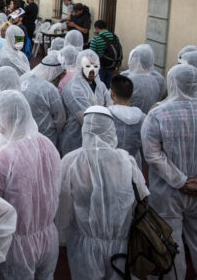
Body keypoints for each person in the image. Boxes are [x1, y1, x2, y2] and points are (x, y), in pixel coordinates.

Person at [57, 107, 148, 280]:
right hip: (122, 242)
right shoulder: (127, 161)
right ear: (111, 129)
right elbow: (140, 199)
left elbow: (64, 206)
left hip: (83, 243)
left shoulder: (70, 161)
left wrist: (62, 238)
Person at [0, 91, 61, 279]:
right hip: (49, 238)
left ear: (3, 119)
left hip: (15, 247)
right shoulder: (47, 144)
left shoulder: (2, 159)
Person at [141, 64, 197, 280]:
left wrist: (181, 181)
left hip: (167, 193)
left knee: (170, 246)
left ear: (172, 84)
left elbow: (152, 155)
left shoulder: (157, 114)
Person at [61, 49, 111, 155]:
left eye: (95, 66)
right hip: (76, 140)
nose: (92, 70)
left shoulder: (99, 84)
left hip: (96, 141)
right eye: (88, 66)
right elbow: (87, 118)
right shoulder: (74, 89)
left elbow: (110, 102)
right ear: (80, 66)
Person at [107, 75, 145, 167]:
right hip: (133, 164)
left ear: (112, 94)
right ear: (131, 94)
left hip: (109, 165)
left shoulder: (106, 114)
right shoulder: (142, 117)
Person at [121, 44, 165, 113]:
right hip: (149, 117)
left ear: (138, 60)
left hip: (129, 118)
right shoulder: (157, 79)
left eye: (134, 57)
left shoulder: (126, 78)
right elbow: (158, 99)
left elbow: (118, 101)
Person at [88, 20, 120, 87]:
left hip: (100, 67)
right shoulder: (115, 37)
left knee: (98, 88)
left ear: (96, 28)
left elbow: (91, 55)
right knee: (108, 88)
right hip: (112, 66)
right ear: (106, 27)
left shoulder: (96, 39)